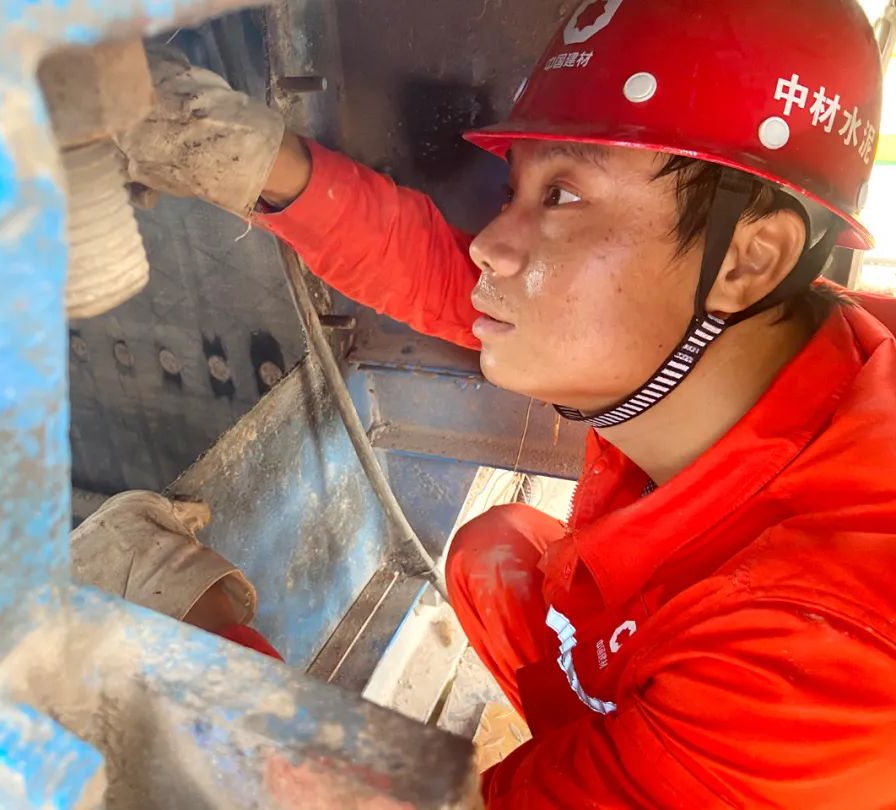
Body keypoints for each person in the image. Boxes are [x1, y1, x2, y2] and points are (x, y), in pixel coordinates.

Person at [108, 0, 896, 804]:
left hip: (742, 720)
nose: (489, 243)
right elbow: (447, 277)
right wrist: (244, 156)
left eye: (563, 196)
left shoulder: (816, 661)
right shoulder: (792, 347)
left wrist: (203, 647)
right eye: (519, 190)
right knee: (496, 551)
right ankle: (609, 747)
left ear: (749, 258)